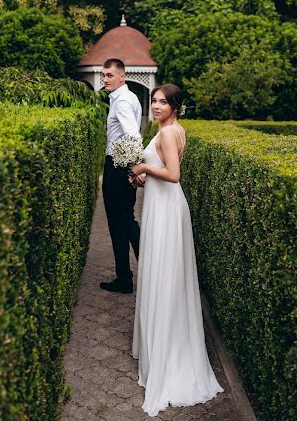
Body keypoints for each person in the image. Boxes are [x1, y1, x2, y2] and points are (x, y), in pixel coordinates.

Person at [130, 84, 223, 417]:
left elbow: (173, 174)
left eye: (163, 102)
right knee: (161, 272)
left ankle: (168, 354)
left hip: (168, 209)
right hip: (160, 205)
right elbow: (161, 173)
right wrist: (143, 180)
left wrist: (143, 169)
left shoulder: (169, 134)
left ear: (175, 106)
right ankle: (159, 344)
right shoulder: (168, 130)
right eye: (153, 101)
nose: (156, 106)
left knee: (165, 274)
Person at [100, 58, 142, 294]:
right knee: (125, 220)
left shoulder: (123, 101)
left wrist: (134, 167)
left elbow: (132, 135)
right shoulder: (129, 97)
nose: (105, 79)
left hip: (118, 167)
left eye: (109, 75)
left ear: (122, 76)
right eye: (104, 75)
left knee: (121, 223)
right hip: (122, 165)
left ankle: (128, 277)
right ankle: (127, 276)